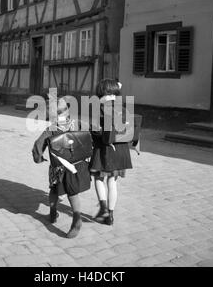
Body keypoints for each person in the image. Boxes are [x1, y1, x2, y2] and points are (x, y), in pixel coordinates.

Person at [32, 98, 91, 238]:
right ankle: (76, 218)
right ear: (68, 110)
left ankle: (52, 213)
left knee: (53, 189)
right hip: (75, 165)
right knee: (73, 193)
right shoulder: (78, 124)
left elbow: (38, 146)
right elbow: (90, 138)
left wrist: (39, 158)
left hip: (57, 167)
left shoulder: (51, 129)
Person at [90, 79, 136, 226]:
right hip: (121, 149)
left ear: (101, 93)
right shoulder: (123, 108)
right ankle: (110, 215)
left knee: (98, 178)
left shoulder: (99, 108)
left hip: (104, 149)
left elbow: (96, 130)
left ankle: (103, 208)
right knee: (112, 182)